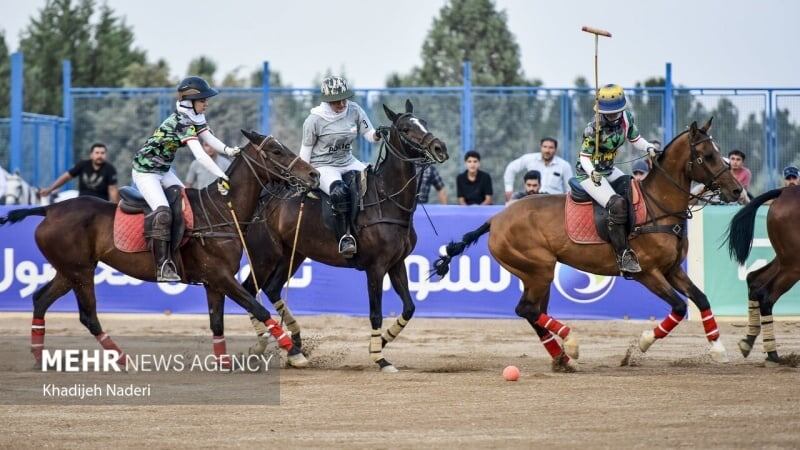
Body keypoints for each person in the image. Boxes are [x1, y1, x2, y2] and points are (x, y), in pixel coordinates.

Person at [132, 76, 241, 282]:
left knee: (187, 206)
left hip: (163, 170)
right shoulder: (181, 121)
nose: (206, 104)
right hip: (146, 173)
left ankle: (185, 256)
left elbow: (209, 138)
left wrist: (229, 150)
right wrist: (222, 175)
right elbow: (200, 155)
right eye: (203, 100)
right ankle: (162, 265)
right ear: (190, 102)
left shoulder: (193, 117)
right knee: (164, 212)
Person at [575, 84, 659, 273]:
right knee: (617, 204)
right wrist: (592, 172)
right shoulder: (593, 128)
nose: (612, 115)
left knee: (635, 191)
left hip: (609, 169)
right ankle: (623, 255)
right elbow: (584, 157)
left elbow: (635, 139)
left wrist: (648, 147)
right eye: (608, 112)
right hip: (589, 173)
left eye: (615, 111)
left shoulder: (626, 118)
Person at [298, 76, 381, 257]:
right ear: (327, 101)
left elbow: (369, 134)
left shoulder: (354, 110)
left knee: (374, 180)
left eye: (344, 99)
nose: (342, 104)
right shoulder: (313, 121)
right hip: (323, 166)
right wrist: (305, 178)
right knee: (340, 191)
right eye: (336, 101)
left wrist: (378, 134)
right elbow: (304, 155)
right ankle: (346, 237)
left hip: (348, 161)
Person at [39, 143, 119, 202]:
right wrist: (49, 189)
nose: (100, 156)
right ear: (91, 155)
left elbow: (112, 190)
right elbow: (66, 177)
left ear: (106, 155)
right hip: (82, 202)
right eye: (97, 153)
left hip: (101, 203)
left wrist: (117, 207)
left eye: (102, 153)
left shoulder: (110, 169)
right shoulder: (83, 165)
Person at [503, 137, 573, 201]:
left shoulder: (564, 165)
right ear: (540, 147)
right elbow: (511, 168)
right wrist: (508, 189)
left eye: (551, 147)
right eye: (545, 147)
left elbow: (569, 189)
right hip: (531, 200)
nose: (547, 150)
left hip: (554, 203)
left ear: (555, 149)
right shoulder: (529, 159)